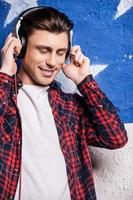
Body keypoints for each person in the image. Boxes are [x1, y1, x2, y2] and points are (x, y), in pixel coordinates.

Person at [0, 6, 128, 200]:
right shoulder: (4, 97)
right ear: (21, 47)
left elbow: (116, 138)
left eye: (60, 52)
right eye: (44, 50)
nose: (53, 62)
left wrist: (85, 81)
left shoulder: (71, 108)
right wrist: (5, 75)